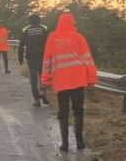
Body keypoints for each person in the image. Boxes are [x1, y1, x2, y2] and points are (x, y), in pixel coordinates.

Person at [40, 12, 98, 151]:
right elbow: (88, 60)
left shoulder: (52, 38)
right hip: (79, 80)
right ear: (73, 23)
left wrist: (45, 80)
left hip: (61, 82)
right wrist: (91, 80)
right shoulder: (79, 37)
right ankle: (79, 142)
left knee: (63, 111)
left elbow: (47, 60)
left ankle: (65, 143)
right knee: (78, 111)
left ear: (59, 23)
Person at [17, 14, 50, 107]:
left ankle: (36, 100)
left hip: (31, 57)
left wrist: (20, 59)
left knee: (33, 79)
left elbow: (21, 45)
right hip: (43, 56)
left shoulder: (25, 30)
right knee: (43, 76)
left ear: (30, 21)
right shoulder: (45, 28)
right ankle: (43, 92)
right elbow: (49, 43)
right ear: (39, 20)